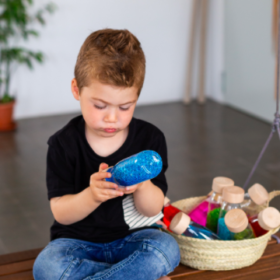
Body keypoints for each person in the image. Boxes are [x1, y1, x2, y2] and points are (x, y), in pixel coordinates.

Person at [33, 28, 180, 280]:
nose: (112, 117)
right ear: (77, 90)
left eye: (125, 107)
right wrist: (92, 195)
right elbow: (61, 212)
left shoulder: (150, 140)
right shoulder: (63, 144)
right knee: (46, 267)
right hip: (76, 244)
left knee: (167, 249)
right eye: (100, 105)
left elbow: (153, 208)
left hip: (134, 239)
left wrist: (143, 185)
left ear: (136, 97)